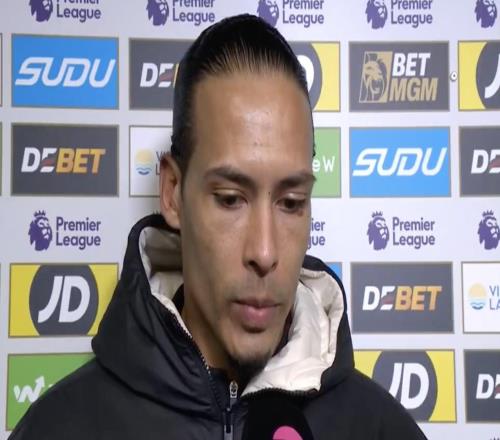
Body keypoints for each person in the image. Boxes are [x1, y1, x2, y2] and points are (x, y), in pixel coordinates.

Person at [9, 14, 428, 440]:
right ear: (173, 193)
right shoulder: (59, 427)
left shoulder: (381, 430)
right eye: (230, 199)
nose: (264, 253)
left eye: (290, 202)